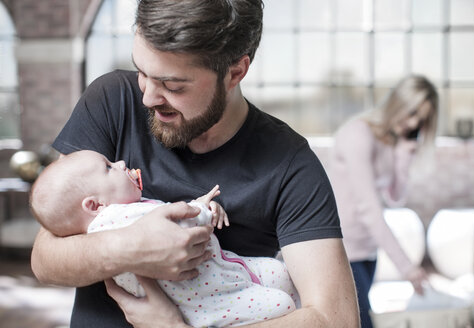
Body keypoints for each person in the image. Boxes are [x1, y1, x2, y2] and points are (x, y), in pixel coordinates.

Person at [30, 1, 359, 327]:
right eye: (143, 73)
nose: (147, 97)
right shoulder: (112, 100)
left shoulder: (290, 164)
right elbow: (45, 260)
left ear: (235, 72)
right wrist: (130, 247)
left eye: (172, 86)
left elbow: (336, 319)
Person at [30, 149, 299, 327]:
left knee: (280, 274)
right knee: (282, 304)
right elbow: (175, 229)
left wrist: (198, 205)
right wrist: (202, 211)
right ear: (94, 206)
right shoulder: (110, 222)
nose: (121, 163)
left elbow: (165, 217)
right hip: (207, 301)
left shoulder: (127, 211)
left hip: (222, 271)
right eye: (109, 168)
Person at [330, 74, 439, 328]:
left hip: (368, 250)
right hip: (343, 249)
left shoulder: (391, 141)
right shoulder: (358, 134)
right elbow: (370, 210)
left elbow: (395, 198)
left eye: (421, 120)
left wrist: (403, 157)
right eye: (411, 113)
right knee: (360, 322)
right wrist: (407, 268)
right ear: (397, 103)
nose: (413, 123)